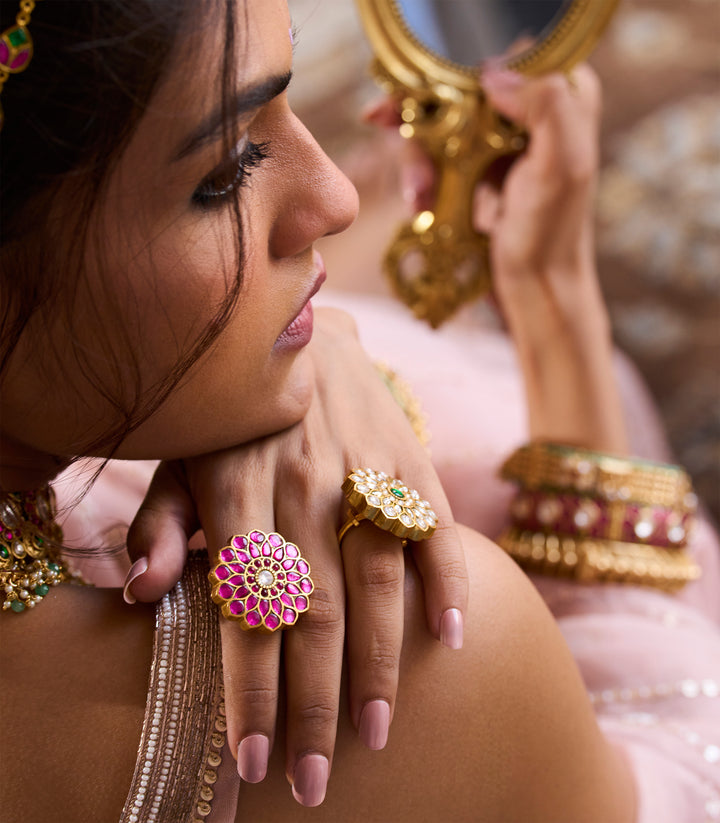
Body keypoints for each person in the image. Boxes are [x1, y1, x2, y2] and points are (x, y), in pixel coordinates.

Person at [0, 1, 718, 822]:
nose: (333, 196)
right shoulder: (411, 671)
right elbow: (690, 776)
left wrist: (319, 350)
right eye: (226, 172)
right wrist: (557, 306)